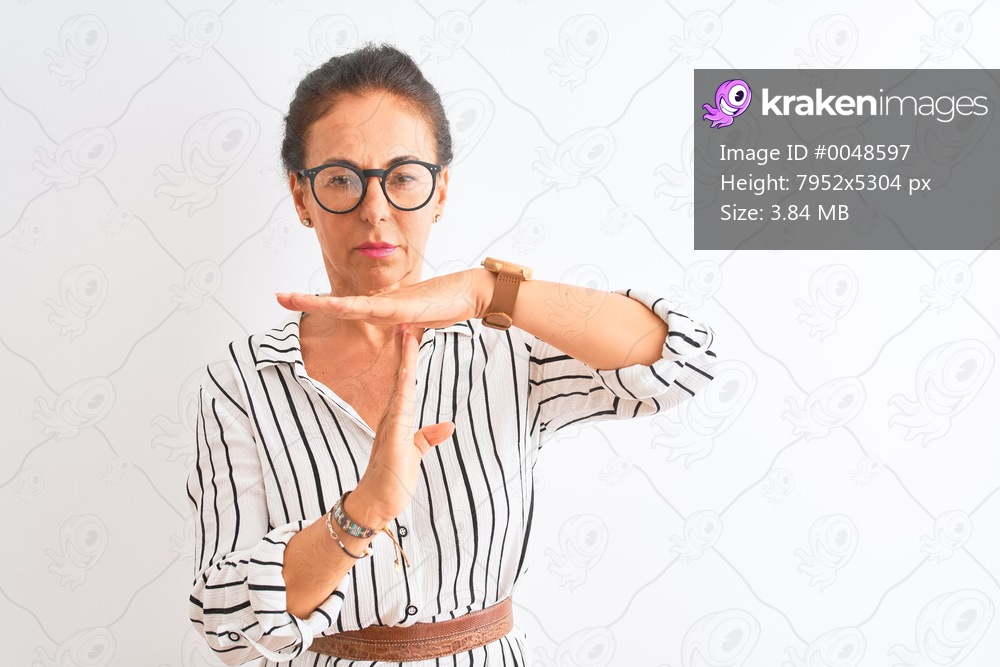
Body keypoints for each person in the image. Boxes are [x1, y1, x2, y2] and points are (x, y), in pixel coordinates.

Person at [187, 43, 717, 666]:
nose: (375, 210)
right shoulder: (243, 382)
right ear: (302, 197)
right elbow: (227, 623)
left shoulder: (504, 345)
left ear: (440, 191)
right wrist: (360, 513)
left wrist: (487, 290)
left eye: (403, 177)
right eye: (340, 179)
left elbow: (683, 359)